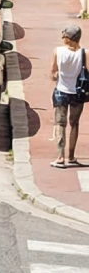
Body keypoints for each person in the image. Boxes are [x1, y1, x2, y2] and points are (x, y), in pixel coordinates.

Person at [55, 26, 87, 168]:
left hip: (61, 91)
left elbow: (52, 73)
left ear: (68, 38)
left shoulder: (57, 51)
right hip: (78, 93)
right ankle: (72, 156)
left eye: (64, 35)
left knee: (60, 124)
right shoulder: (84, 53)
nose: (62, 38)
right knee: (74, 124)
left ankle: (60, 157)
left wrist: (58, 76)